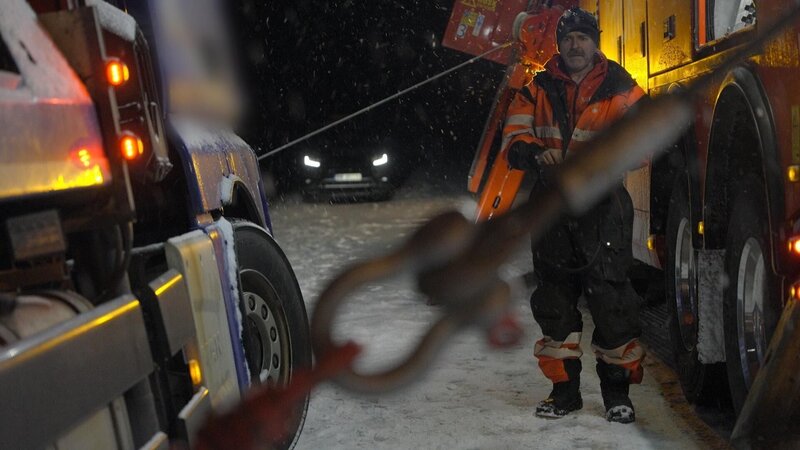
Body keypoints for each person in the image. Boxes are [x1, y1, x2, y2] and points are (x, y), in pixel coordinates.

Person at [501, 7, 646, 424]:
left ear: (595, 43)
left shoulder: (622, 88)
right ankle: (564, 393)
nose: (575, 45)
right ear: (559, 45)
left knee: (612, 301)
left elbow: (650, 136)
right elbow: (514, 136)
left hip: (604, 211)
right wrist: (531, 152)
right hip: (551, 209)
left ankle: (618, 395)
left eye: (582, 37)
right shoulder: (537, 88)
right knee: (554, 302)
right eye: (568, 39)